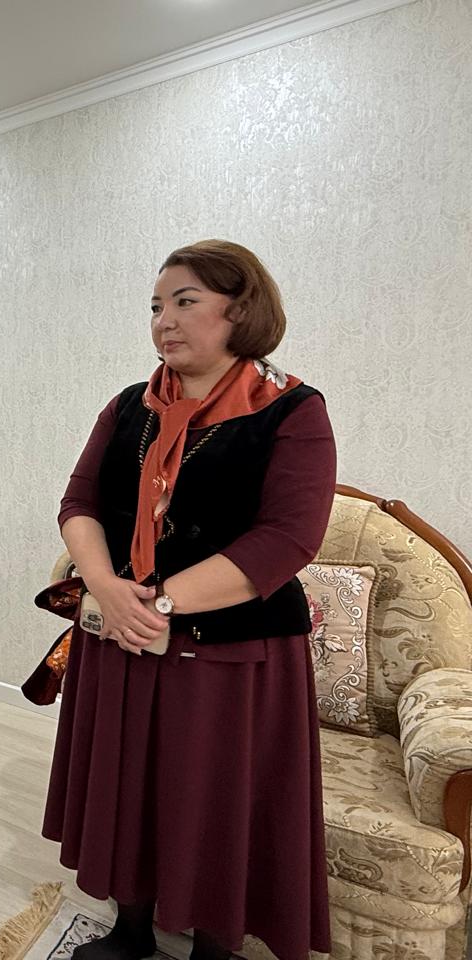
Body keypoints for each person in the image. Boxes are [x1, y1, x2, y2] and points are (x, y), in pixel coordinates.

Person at [42, 240, 335, 960]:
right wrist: (107, 589)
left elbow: (288, 539)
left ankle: (214, 947)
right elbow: (79, 503)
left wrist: (157, 605)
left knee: (215, 801)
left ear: (240, 310)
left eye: (185, 301)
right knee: (128, 788)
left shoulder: (292, 409)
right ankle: (131, 928)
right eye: (155, 306)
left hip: (231, 653)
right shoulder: (128, 406)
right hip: (122, 634)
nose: (163, 320)